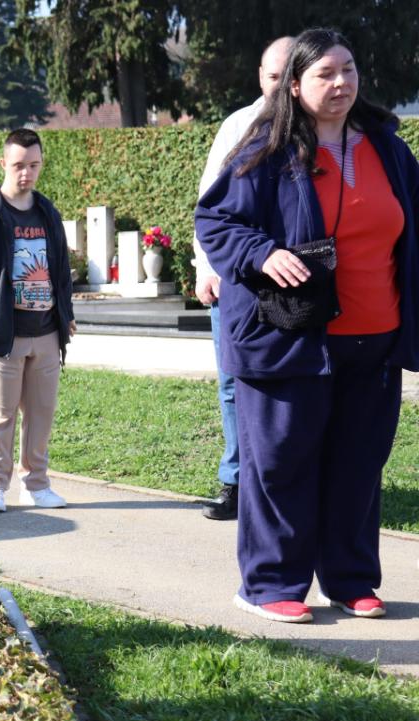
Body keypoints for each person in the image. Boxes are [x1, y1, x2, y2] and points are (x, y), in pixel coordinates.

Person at [196, 29, 419, 623]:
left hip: (375, 339)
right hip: (290, 338)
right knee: (282, 463)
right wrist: (263, 253)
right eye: (325, 73)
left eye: (348, 69)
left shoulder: (388, 147)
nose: (341, 82)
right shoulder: (266, 148)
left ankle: (349, 579)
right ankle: (269, 584)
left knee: (358, 465)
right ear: (294, 85)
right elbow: (215, 220)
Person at [192, 36, 293, 522]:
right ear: (260, 77)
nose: (279, 88)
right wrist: (205, 269)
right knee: (233, 384)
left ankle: (282, 481)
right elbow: (209, 204)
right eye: (272, 77)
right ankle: (235, 481)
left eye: (287, 77)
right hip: (236, 281)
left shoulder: (317, 127)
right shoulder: (237, 125)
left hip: (295, 280)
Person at [0, 128, 76, 513]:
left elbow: (61, 267)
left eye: (34, 165)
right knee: (0, 414)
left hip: (46, 332)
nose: (26, 173)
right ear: (3, 164)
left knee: (41, 414)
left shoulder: (47, 213)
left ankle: (36, 486)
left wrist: (66, 315)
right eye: (18, 165)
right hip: (4, 333)